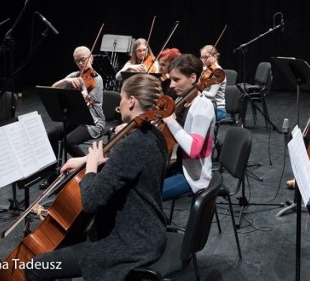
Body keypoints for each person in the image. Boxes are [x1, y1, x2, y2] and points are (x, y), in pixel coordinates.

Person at [25, 73, 168, 281]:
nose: (118, 105)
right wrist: (85, 161)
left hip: (131, 241)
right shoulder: (155, 135)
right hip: (149, 229)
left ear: (132, 101)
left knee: (36, 267)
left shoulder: (131, 144)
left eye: (121, 98)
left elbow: (91, 201)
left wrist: (91, 165)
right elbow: (131, 167)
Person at [42, 46, 106, 188]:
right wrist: (67, 81)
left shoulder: (97, 78)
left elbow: (89, 103)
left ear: (91, 58)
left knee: (68, 141)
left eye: (83, 60)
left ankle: (88, 169)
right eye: (78, 61)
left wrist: (83, 91)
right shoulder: (75, 75)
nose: (81, 64)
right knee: (51, 134)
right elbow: (53, 87)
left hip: (93, 121)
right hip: (76, 119)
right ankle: (52, 173)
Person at [161, 54, 216, 202]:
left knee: (145, 194)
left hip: (193, 176)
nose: (171, 85)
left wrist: (171, 122)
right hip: (179, 167)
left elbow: (193, 149)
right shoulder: (183, 100)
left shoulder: (202, 106)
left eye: (176, 80)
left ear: (193, 78)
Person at [200, 44, 226, 121]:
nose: (203, 60)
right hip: (206, 105)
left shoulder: (218, 72)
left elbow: (211, 94)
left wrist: (198, 92)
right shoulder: (206, 69)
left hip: (217, 108)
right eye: (201, 57)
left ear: (214, 57)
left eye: (206, 57)